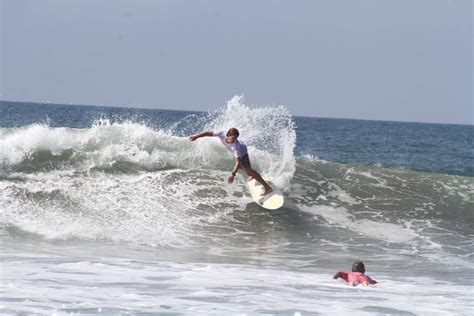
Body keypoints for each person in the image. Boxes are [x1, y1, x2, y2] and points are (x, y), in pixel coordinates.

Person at [188, 128, 273, 196]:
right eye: (233, 138)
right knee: (244, 168)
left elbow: (237, 162)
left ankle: (267, 187)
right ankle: (252, 175)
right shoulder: (221, 133)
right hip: (240, 151)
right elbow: (208, 133)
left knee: (247, 169)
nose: (234, 140)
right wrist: (197, 136)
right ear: (228, 135)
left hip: (242, 152)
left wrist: (233, 174)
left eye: (236, 138)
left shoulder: (236, 146)